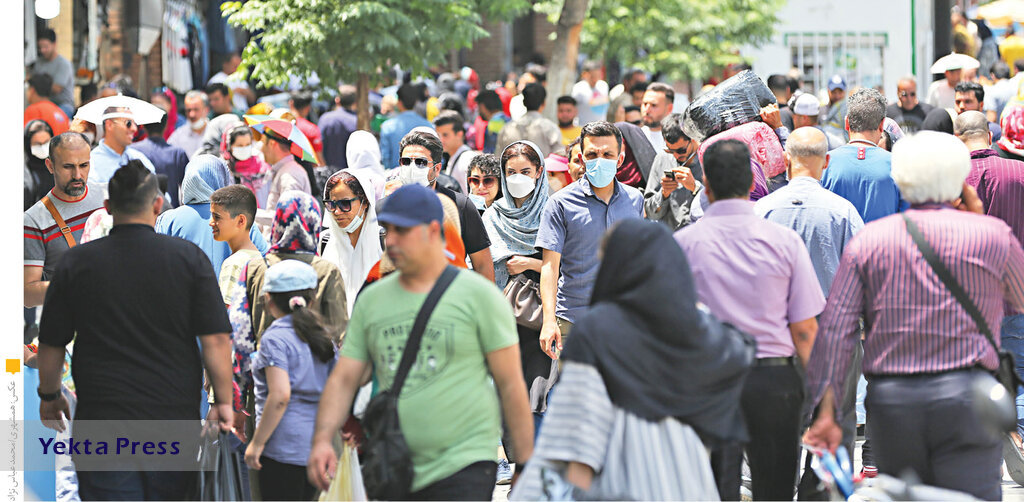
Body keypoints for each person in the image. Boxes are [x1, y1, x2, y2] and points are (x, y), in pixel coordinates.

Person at [803, 132, 1024, 500]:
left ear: (901, 178)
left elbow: (836, 332)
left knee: (906, 493)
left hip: (895, 400)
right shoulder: (992, 236)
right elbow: (1018, 302)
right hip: (967, 397)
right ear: (959, 180)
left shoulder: (871, 241)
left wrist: (826, 411)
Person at [307, 183, 534, 500]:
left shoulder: (479, 297)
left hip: (465, 464)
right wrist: (321, 439)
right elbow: (345, 377)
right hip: (393, 463)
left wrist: (524, 462)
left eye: (403, 230)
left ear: (432, 230)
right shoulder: (373, 298)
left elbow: (511, 385)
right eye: (388, 229)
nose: (392, 239)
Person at [511, 220, 753, 501]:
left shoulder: (598, 330)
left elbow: (573, 437)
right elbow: (741, 354)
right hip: (692, 487)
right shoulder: (703, 330)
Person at [36, 160, 235, 500]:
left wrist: (50, 396)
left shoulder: (76, 264)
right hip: (172, 419)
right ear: (158, 205)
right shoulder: (188, 260)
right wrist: (223, 401)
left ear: (109, 208)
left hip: (103, 420)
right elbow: (216, 338)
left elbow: (53, 342)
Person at [674, 139, 824, 501]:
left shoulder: (681, 245)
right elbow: (805, 331)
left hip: (709, 384)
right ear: (749, 183)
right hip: (774, 383)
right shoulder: (783, 242)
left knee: (712, 490)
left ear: (706, 185)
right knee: (774, 490)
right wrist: (826, 399)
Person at [536, 121, 644, 358]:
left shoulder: (635, 200)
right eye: (592, 154)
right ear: (582, 158)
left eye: (607, 154)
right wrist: (548, 320)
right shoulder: (559, 204)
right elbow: (549, 267)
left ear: (620, 159)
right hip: (573, 322)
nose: (599, 160)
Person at [957, 110, 1024, 447]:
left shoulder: (953, 178)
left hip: (969, 296)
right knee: (1020, 373)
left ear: (958, 138)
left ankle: (986, 450)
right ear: (992, 136)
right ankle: (1020, 436)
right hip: (1016, 291)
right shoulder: (1019, 172)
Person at [245, 260, 337, 501]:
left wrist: (257, 443)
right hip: (316, 445)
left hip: (282, 447)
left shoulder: (275, 338)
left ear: (268, 300)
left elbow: (279, 396)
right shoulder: (323, 337)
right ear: (313, 299)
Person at [396, 130, 495, 281]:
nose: (412, 168)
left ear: (436, 169)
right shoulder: (388, 207)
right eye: (406, 161)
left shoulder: (460, 206)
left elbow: (482, 265)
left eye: (421, 163)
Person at [24, 132, 106, 308]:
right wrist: (72, 286)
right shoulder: (34, 219)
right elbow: (27, 294)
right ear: (50, 166)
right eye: (68, 167)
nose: (77, 175)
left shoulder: (107, 196)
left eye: (84, 165)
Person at [155, 154, 268, 277]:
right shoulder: (239, 218)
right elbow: (264, 260)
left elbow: (157, 263)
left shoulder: (167, 220)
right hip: (232, 293)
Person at [821, 88, 907, 223]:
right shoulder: (899, 165)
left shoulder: (825, 163)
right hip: (884, 243)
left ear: (847, 123)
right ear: (881, 125)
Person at [483, 141, 549, 289]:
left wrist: (531, 264)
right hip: (497, 303)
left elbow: (568, 266)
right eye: (511, 172)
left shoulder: (552, 212)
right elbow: (477, 263)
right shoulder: (493, 215)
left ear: (538, 172)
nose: (518, 178)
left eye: (525, 172)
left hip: (540, 304)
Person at [320, 169, 383, 315]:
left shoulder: (384, 241)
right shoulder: (324, 241)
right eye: (331, 204)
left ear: (365, 202)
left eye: (345, 204)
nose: (337, 211)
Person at [644, 113, 703, 231]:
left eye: (681, 150)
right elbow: (650, 213)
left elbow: (720, 207)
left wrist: (696, 188)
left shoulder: (708, 158)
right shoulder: (662, 159)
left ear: (692, 138)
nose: (676, 156)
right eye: (670, 150)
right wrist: (664, 194)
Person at [210, 184, 262, 307]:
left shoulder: (233, 264)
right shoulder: (258, 257)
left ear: (240, 221)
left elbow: (227, 314)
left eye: (217, 217)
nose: (211, 222)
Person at [132, 113, 189, 208]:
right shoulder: (177, 154)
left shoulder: (132, 151)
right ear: (166, 125)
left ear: (143, 126)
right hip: (170, 211)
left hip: (140, 210)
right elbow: (188, 189)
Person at [87, 107, 157, 183]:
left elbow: (157, 190)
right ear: (109, 125)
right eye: (128, 123)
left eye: (135, 124)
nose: (134, 129)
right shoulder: (92, 163)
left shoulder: (140, 159)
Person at [497, 83, 563, 157]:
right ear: (544, 103)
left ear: (523, 102)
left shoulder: (507, 129)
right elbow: (559, 157)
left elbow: (499, 157)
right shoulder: (550, 128)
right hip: (545, 168)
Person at [380, 83, 434, 169]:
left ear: (399, 102)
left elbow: (386, 158)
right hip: (422, 177)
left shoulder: (388, 126)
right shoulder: (428, 126)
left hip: (396, 177)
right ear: (416, 101)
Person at [262, 129, 313, 217]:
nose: (262, 149)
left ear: (271, 144)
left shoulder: (290, 175)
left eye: (263, 143)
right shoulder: (286, 171)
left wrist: (252, 216)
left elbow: (288, 216)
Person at [221, 123, 271, 208]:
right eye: (240, 145)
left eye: (248, 145)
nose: (244, 148)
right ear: (229, 146)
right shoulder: (224, 170)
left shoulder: (262, 167)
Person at [31, 28, 75, 117]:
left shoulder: (64, 64)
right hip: (44, 104)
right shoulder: (39, 63)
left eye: (46, 47)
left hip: (63, 105)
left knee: (51, 118)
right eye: (40, 47)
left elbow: (56, 89)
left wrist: (37, 83)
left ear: (54, 44)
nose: (43, 50)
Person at [434, 110, 476, 194]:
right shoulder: (454, 156)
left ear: (459, 134)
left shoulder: (466, 160)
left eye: (445, 135)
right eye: (438, 135)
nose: (441, 140)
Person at [319, 84, 358, 170]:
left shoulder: (325, 118)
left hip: (327, 172)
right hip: (349, 175)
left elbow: (319, 146)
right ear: (355, 102)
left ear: (337, 100)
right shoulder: (357, 122)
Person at [168, 91, 211, 159]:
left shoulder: (214, 133)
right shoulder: (178, 136)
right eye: (188, 110)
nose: (192, 115)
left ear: (206, 110)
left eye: (196, 110)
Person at [24, 120, 55, 210]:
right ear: (28, 145)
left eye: (46, 142)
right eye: (37, 144)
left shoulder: (60, 166)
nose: (42, 147)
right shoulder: (25, 174)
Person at [289, 90, 325, 166]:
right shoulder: (312, 129)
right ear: (308, 108)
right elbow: (318, 161)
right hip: (307, 173)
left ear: (291, 104)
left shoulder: (284, 126)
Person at [572, 60, 609, 126]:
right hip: (583, 128)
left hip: (601, 129)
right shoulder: (578, 88)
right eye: (593, 76)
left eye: (598, 76)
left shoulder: (603, 86)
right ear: (585, 74)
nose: (595, 79)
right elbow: (572, 109)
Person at [471, 89, 508, 154]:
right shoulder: (508, 119)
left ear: (482, 106)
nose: (478, 111)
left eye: (478, 107)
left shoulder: (494, 123)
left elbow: (491, 152)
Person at [640, 83, 674, 151]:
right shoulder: (635, 136)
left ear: (669, 108)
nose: (647, 110)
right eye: (645, 104)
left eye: (653, 105)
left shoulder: (677, 141)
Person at [821, 75, 849, 143]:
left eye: (840, 92)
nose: (837, 96)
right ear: (828, 91)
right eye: (834, 92)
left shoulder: (849, 111)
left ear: (845, 92)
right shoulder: (821, 111)